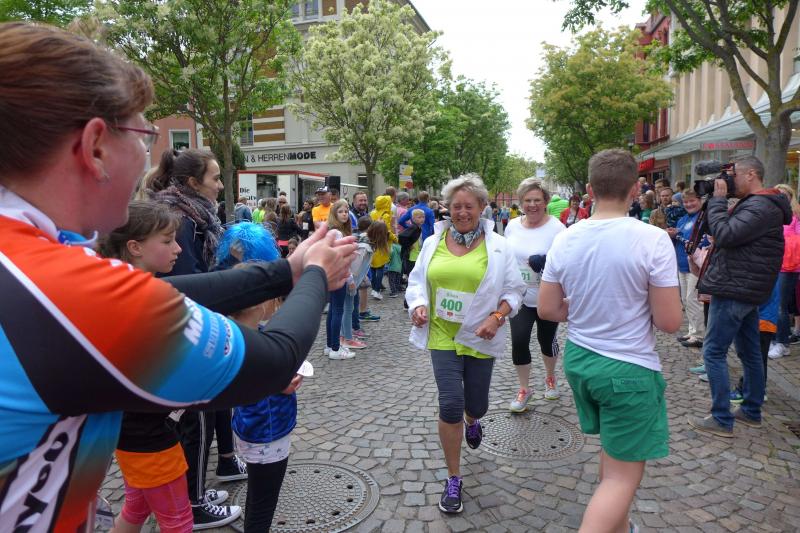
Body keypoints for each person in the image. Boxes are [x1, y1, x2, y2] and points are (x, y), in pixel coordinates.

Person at [0, 21, 357, 530]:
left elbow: (163, 292)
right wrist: (316, 274)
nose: (148, 161)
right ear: (95, 147)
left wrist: (288, 270)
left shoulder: (33, 251)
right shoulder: (66, 288)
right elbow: (272, 364)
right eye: (144, 137)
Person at [539, 148, 682, 533]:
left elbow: (548, 309)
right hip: (628, 369)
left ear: (590, 189)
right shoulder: (652, 239)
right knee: (621, 478)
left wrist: (583, 306)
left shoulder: (566, 239)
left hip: (581, 362)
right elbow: (670, 321)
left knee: (613, 452)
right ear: (635, 189)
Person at [406, 174, 525, 514]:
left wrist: (497, 318)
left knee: (477, 405)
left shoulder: (499, 246)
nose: (461, 212)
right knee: (450, 404)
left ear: (482, 207)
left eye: (468, 206)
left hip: (479, 336)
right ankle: (454, 478)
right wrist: (418, 305)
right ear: (448, 208)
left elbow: (514, 291)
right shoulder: (433, 242)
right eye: (455, 206)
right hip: (442, 335)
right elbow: (417, 282)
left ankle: (473, 421)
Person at [149, 149, 249, 525]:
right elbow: (191, 285)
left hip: (187, 328)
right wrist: (232, 267)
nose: (221, 185)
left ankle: (200, 486)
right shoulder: (183, 220)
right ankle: (193, 504)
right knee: (197, 422)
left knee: (203, 416)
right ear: (193, 183)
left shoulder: (192, 214)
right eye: (215, 178)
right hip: (186, 335)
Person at [99, 202, 197, 533]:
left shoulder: (118, 290)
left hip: (130, 432)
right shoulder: (139, 303)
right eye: (168, 240)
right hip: (148, 434)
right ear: (135, 247)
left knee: (136, 508)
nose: (178, 249)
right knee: (178, 522)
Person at [689, 155, 791, 437]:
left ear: (751, 175)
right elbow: (720, 232)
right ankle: (751, 410)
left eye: (733, 175)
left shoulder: (760, 206)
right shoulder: (758, 204)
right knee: (749, 352)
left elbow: (725, 235)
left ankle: (722, 418)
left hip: (735, 287)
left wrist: (719, 202)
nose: (729, 180)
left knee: (713, 351)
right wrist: (715, 203)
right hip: (743, 287)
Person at [504, 179, 566, 410]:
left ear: (546, 201)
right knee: (519, 341)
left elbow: (567, 262)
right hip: (519, 297)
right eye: (527, 200)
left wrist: (546, 262)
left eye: (537, 200)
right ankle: (524, 388)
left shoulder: (557, 229)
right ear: (521, 202)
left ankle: (550, 377)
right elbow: (505, 258)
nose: (532, 205)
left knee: (546, 341)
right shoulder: (512, 226)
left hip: (548, 297)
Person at [666, 190, 706, 349]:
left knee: (693, 299)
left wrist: (678, 235)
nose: (689, 204)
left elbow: (701, 241)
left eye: (692, 201)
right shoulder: (682, 219)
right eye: (686, 202)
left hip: (696, 265)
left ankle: (699, 334)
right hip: (682, 263)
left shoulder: (704, 218)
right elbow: (679, 239)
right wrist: (672, 235)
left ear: (700, 200)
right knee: (685, 299)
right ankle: (692, 331)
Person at [767, 184, 800, 359]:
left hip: (788, 266)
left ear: (791, 197)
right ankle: (773, 339)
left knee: (781, 305)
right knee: (771, 303)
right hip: (771, 264)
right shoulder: (771, 214)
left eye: (784, 195)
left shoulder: (796, 216)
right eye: (777, 194)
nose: (780, 197)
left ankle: (782, 342)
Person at [325, 200, 357, 360]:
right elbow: (341, 259)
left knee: (333, 310)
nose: (344, 214)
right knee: (338, 310)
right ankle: (335, 348)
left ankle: (330, 345)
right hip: (339, 275)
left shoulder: (333, 231)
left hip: (333, 275)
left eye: (346, 211)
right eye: (341, 212)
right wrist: (349, 278)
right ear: (334, 214)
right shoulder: (337, 233)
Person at [367, 219, 396, 300]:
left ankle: (374, 289)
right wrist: (390, 232)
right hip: (382, 258)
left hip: (372, 257)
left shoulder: (370, 234)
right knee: (380, 275)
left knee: (373, 273)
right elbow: (396, 239)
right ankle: (377, 291)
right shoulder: (387, 235)